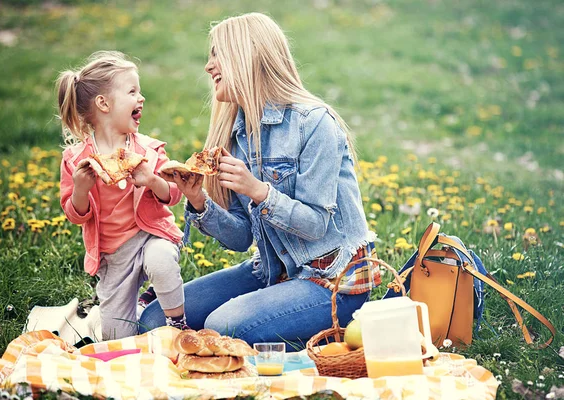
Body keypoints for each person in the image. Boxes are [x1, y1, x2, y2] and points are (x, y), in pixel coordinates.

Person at [139, 12, 380, 347]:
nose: (209, 67)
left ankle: (315, 336)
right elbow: (241, 237)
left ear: (246, 57)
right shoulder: (237, 134)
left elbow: (315, 226)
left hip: (333, 281)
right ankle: (265, 329)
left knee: (223, 326)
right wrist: (198, 201)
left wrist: (258, 191)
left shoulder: (314, 124)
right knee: (154, 319)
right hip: (272, 272)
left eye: (216, 55)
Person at [57, 51, 188, 340]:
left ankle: (179, 325)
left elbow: (175, 193)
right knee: (118, 340)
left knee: (161, 261)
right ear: (103, 103)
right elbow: (74, 213)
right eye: (132, 91)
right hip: (113, 256)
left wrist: (152, 180)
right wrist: (80, 189)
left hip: (151, 236)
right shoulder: (76, 159)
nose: (141, 98)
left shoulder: (148, 150)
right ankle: (143, 303)